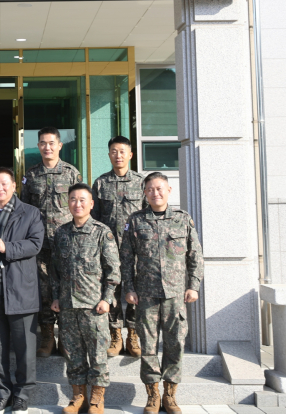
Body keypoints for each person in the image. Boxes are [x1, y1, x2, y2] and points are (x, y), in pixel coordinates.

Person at [121, 172, 204, 414]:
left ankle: (170, 394)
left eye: (159, 188)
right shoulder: (135, 220)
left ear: (169, 190)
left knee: (175, 344)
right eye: (150, 189)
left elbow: (195, 255)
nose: (155, 193)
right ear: (144, 193)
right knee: (148, 347)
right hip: (145, 296)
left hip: (175, 296)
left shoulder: (182, 219)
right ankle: (152, 395)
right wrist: (129, 287)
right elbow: (126, 258)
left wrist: (193, 285)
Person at [0, 167, 44, 414]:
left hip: (21, 291)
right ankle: (2, 394)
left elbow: (35, 244)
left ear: (14, 186)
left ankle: (22, 395)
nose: (0, 188)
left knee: (25, 349)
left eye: (4, 183)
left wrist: (7, 247)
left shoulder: (31, 213)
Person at [50, 183, 120, 414]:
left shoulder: (102, 232)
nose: (77, 204)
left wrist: (107, 299)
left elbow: (113, 270)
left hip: (94, 307)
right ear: (67, 203)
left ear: (91, 204)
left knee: (98, 355)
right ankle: (78, 397)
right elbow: (55, 270)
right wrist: (55, 297)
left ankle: (97, 400)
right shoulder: (61, 233)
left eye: (82, 200)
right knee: (73, 355)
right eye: (73, 199)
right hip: (68, 306)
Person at [22, 126, 82, 357]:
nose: (47, 147)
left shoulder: (71, 173)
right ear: (38, 146)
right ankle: (47, 336)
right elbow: (25, 209)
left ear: (59, 145)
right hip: (39, 244)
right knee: (43, 290)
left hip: (65, 242)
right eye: (43, 143)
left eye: (51, 143)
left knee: (66, 288)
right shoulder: (31, 175)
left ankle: (66, 337)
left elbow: (80, 206)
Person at [91, 136, 146, 358]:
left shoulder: (141, 183)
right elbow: (94, 218)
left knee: (134, 290)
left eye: (122, 151)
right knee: (111, 290)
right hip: (109, 248)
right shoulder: (100, 183)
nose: (118, 155)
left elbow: (147, 215)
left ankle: (133, 334)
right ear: (109, 155)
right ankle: (115, 335)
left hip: (134, 248)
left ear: (130, 155)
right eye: (114, 151)